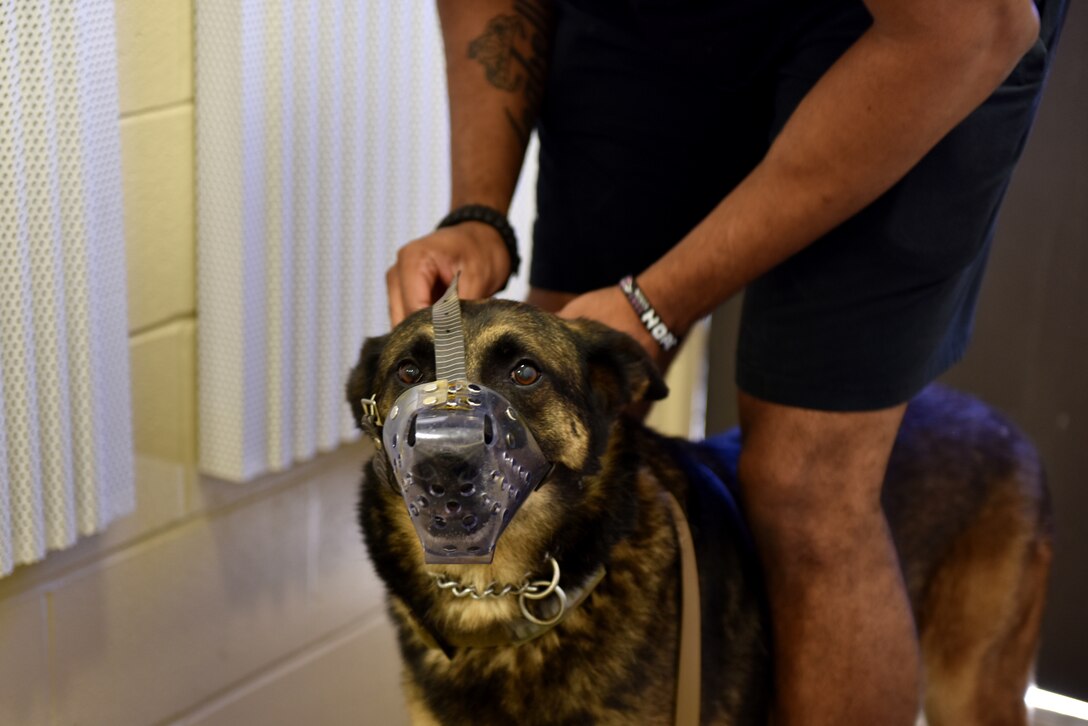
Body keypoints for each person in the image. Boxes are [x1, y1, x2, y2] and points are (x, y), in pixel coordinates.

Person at [385, 0, 1068, 723]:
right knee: (555, 427)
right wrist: (479, 213)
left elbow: (974, 28)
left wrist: (656, 303)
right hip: (655, 25)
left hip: (922, 36)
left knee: (808, 481)